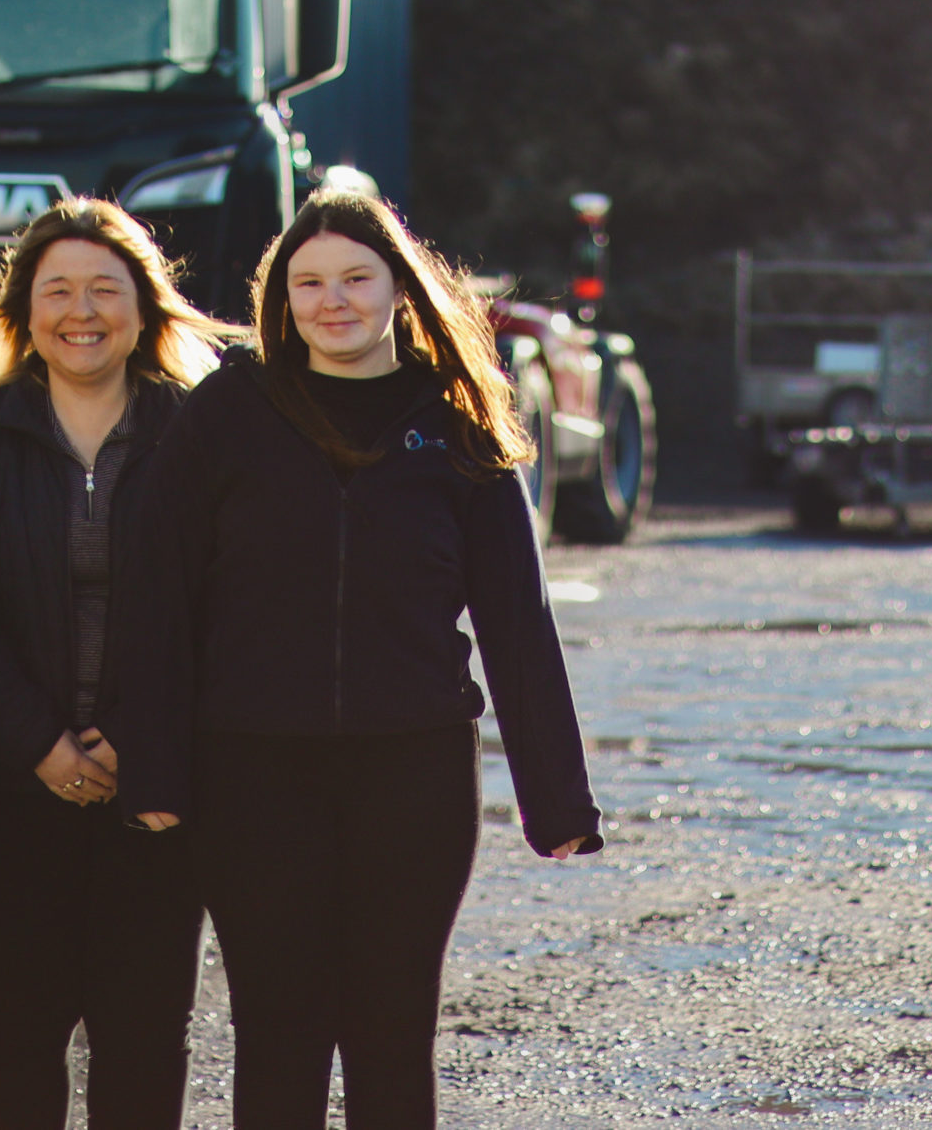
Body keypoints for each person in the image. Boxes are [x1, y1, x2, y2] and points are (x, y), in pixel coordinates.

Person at [112, 189, 603, 1130]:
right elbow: (158, 596)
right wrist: (155, 766)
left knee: (391, 1035)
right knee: (277, 1032)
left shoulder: (454, 419)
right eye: (308, 282)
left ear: (397, 287)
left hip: (411, 776)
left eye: (354, 278)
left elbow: (518, 620)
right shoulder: (228, 411)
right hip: (252, 773)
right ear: (281, 298)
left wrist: (558, 801)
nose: (331, 300)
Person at [0, 197, 234, 1128]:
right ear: (24, 312)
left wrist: (138, 739)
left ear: (145, 309)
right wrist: (41, 743)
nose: (82, 310)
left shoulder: (201, 431)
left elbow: (225, 607)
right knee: (16, 1038)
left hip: (158, 795)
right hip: (9, 796)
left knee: (145, 1042)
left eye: (106, 289)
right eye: (57, 289)